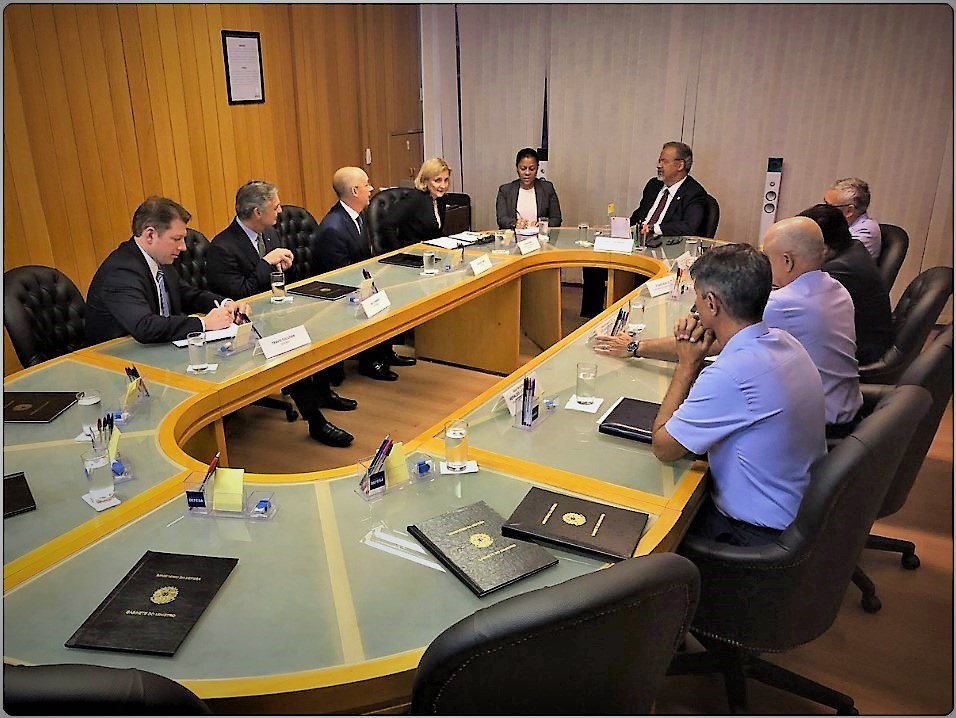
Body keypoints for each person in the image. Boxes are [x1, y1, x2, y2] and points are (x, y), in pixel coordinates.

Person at [605, 244, 826, 545]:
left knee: (632, 520)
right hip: (799, 506)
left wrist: (687, 365)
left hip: (753, 533)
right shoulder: (784, 341)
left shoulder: (731, 375)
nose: (693, 308)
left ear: (712, 303)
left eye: (696, 299)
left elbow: (664, 447)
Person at [595, 218, 862, 433]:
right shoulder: (836, 288)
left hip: (820, 419)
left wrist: (634, 346)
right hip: (838, 404)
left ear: (788, 261)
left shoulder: (783, 304)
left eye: (764, 257)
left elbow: (704, 343)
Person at [206, 180, 355, 448]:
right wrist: (266, 264)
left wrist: (285, 267)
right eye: (275, 207)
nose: (280, 210)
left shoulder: (270, 234)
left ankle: (322, 391)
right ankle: (316, 422)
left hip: (276, 311)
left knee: (320, 327)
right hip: (242, 324)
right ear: (256, 212)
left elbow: (277, 281)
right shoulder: (222, 247)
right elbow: (242, 292)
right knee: (289, 349)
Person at [86, 196, 247, 345]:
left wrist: (226, 304)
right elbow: (145, 326)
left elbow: (187, 294)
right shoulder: (121, 272)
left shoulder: (160, 259)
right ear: (150, 235)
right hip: (117, 361)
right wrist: (204, 323)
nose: (183, 247)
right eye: (176, 239)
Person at [581, 141, 708, 318]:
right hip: (636, 246)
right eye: (659, 160)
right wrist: (620, 228)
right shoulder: (653, 186)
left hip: (664, 254)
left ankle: (635, 317)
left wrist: (653, 228)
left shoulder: (694, 193)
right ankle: (592, 317)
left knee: (642, 275)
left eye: (664, 161)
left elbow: (689, 226)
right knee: (594, 262)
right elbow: (639, 216)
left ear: (680, 165)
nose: (658, 165)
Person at [314, 167, 417, 381]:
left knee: (393, 289)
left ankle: (385, 353)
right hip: (338, 291)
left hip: (358, 280)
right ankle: (372, 361)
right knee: (379, 296)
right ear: (354, 190)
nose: (371, 188)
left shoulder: (356, 216)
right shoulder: (334, 227)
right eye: (367, 184)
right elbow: (340, 275)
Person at [799, 203, 893, 364]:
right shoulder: (854, 247)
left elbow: (798, 306)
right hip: (868, 340)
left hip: (859, 352)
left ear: (823, 247)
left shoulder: (836, 271)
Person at [379, 157, 451, 248]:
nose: (443, 185)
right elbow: (387, 224)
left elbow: (436, 232)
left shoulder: (441, 198)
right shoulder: (415, 198)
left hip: (431, 252)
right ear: (425, 180)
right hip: (413, 253)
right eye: (437, 180)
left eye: (446, 180)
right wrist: (398, 252)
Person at [495, 148, 562, 230]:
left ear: (537, 169)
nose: (527, 173)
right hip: (514, 238)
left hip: (540, 238)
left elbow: (556, 219)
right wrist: (515, 224)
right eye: (523, 169)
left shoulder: (547, 188)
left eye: (532, 169)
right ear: (517, 168)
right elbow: (501, 219)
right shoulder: (505, 190)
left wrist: (542, 224)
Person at [824, 177, 881, 259]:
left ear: (849, 211)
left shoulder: (866, 231)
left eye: (829, 206)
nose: (824, 209)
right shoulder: (838, 225)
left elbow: (836, 259)